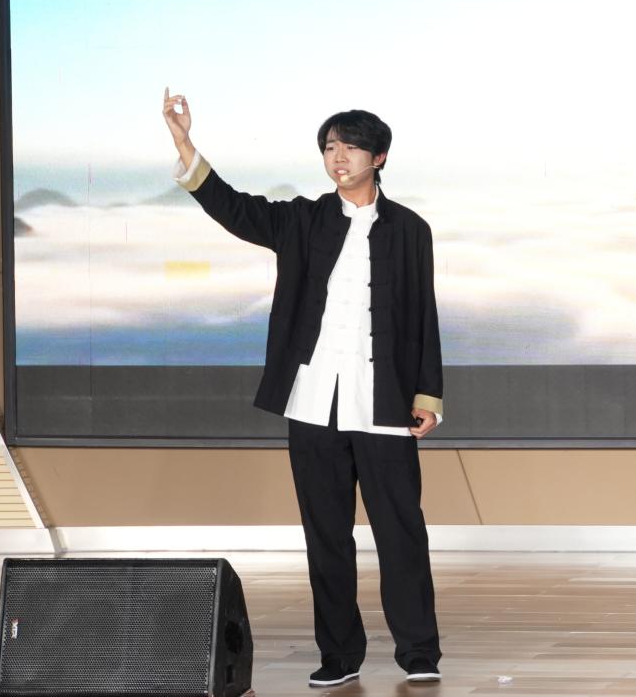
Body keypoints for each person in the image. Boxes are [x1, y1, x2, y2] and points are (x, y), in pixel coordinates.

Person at [162, 90, 444, 685]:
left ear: (379, 157)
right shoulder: (302, 220)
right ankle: (339, 655)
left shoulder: (410, 230)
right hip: (313, 403)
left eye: (351, 147)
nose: (338, 157)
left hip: (384, 404)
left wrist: (428, 395)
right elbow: (234, 208)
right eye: (330, 147)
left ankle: (419, 651)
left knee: (401, 533)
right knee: (326, 537)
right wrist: (185, 143)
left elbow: (423, 315)